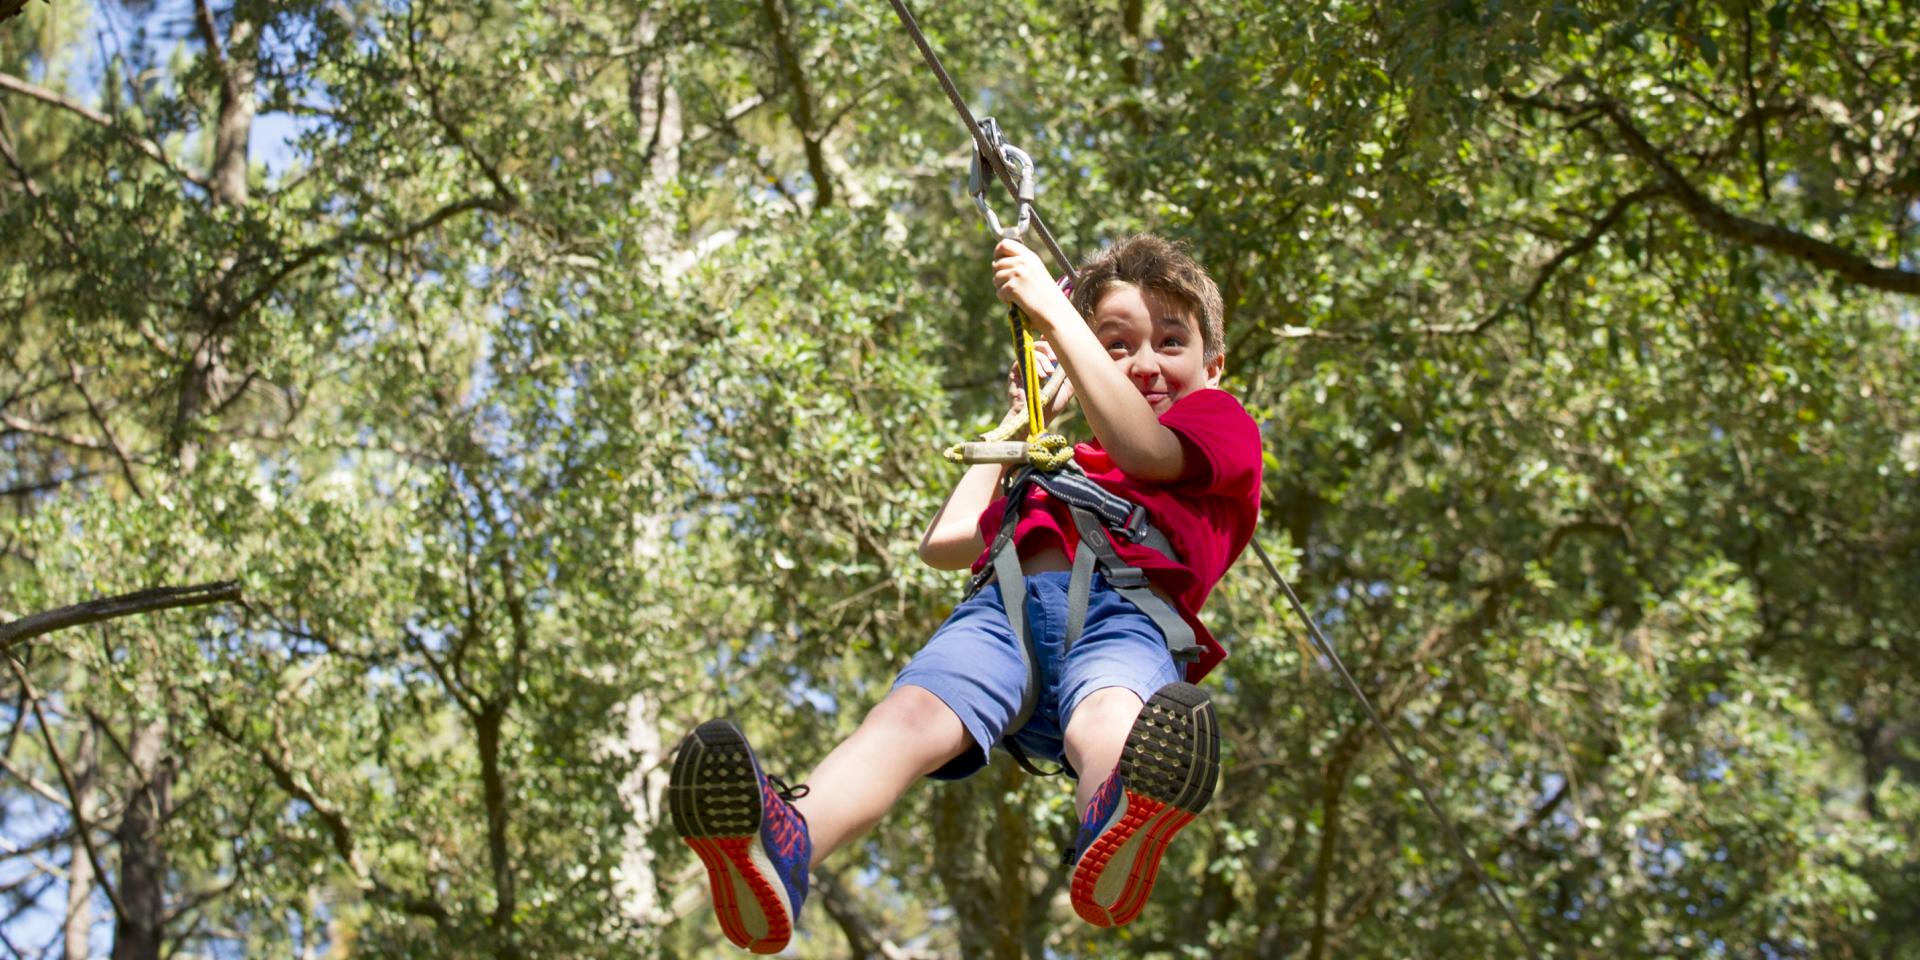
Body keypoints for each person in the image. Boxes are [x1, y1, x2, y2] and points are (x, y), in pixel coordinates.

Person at [668, 234, 1263, 954]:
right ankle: (787, 844)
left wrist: (1055, 310)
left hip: (1126, 614)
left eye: (1171, 342)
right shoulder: (1063, 458)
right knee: (907, 718)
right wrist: (1018, 424)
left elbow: (1146, 450)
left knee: (1106, 716)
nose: (1143, 363)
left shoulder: (1218, 425)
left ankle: (1117, 813)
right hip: (1001, 616)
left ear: (1212, 365)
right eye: (1116, 345)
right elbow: (947, 540)